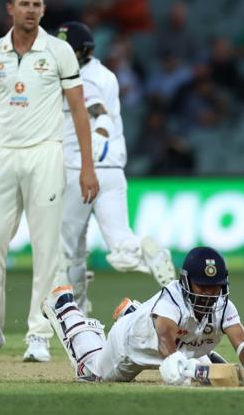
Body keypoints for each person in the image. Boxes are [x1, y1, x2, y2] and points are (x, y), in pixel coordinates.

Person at [0, 0, 100, 363]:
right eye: (25, 4)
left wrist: (86, 166)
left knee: (47, 250)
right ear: (10, 9)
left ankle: (38, 334)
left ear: (44, 11)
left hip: (46, 155)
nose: (32, 10)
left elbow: (79, 111)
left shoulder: (59, 51)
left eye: (38, 4)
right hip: (5, 156)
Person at [55, 21, 176, 315]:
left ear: (83, 50)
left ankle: (76, 311)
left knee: (68, 248)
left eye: (66, 47)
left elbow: (98, 112)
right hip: (112, 171)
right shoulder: (105, 73)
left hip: (81, 168)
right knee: (121, 245)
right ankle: (147, 254)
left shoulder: (84, 78)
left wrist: (94, 148)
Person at [42, 246, 244, 385]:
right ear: (187, 282)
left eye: (216, 286)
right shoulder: (172, 300)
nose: (210, 293)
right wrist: (171, 361)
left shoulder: (223, 305)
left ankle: (135, 313)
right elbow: (165, 339)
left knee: (193, 366)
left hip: (177, 341)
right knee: (92, 373)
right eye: (203, 286)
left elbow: (241, 341)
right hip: (132, 347)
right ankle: (65, 307)